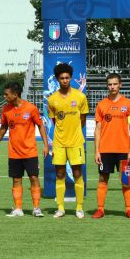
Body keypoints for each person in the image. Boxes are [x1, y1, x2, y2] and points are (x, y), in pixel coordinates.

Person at [0, 82, 49, 217]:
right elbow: (3, 127)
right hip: (14, 152)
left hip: (30, 151)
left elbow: (40, 126)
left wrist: (46, 145)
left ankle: (36, 208)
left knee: (34, 177)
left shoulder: (31, 108)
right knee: (16, 179)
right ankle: (18, 209)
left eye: (7, 94)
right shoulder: (6, 110)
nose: (4, 96)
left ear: (15, 94)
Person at [93, 73, 130, 219]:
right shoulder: (101, 105)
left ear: (120, 85)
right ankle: (100, 209)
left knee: (127, 181)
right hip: (105, 150)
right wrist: (97, 151)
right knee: (102, 179)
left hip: (124, 150)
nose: (112, 87)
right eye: (109, 84)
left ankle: (129, 210)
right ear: (107, 86)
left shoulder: (128, 104)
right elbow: (98, 129)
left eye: (115, 84)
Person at [47, 63, 89, 218]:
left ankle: (79, 208)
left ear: (70, 78)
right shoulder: (52, 99)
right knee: (59, 174)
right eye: (62, 78)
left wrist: (73, 132)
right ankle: (61, 208)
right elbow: (54, 122)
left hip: (76, 142)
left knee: (78, 173)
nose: (65, 80)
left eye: (67, 77)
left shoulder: (80, 97)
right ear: (58, 79)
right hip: (59, 143)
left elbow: (82, 119)